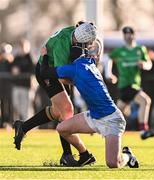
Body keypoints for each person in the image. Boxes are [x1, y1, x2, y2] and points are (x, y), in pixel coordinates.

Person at [13, 21, 97, 166]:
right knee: (67, 110)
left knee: (59, 112)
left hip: (57, 69)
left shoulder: (78, 31)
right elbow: (62, 77)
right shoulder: (62, 46)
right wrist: (81, 81)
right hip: (47, 72)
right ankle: (75, 154)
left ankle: (24, 127)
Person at [55, 39, 139, 168]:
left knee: (113, 163)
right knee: (62, 129)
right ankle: (84, 154)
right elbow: (65, 79)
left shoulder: (80, 67)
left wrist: (46, 57)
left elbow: (56, 74)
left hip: (112, 119)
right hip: (94, 116)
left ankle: (128, 156)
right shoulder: (87, 65)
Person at [106, 26, 154, 140]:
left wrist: (144, 65)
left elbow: (148, 64)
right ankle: (143, 130)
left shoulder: (140, 49)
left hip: (135, 84)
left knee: (119, 111)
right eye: (125, 34)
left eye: (130, 34)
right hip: (125, 84)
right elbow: (108, 59)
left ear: (134, 35)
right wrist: (109, 73)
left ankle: (108, 129)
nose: (128, 36)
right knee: (145, 101)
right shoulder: (119, 51)